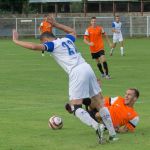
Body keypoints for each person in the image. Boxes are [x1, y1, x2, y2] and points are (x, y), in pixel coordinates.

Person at [12, 16, 118, 144]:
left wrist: (16, 41)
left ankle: (97, 126)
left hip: (76, 71)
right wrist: (56, 24)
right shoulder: (67, 39)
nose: (44, 45)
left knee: (74, 106)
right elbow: (73, 31)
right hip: (87, 67)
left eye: (43, 42)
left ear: (45, 39)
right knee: (100, 101)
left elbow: (35, 47)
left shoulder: (52, 44)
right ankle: (112, 134)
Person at [66, 88, 139, 133]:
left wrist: (117, 130)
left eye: (129, 95)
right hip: (100, 112)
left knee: (95, 114)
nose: (126, 96)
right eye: (126, 94)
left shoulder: (134, 116)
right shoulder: (119, 99)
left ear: (135, 98)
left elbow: (126, 129)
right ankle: (77, 104)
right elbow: (103, 101)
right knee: (92, 101)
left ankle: (74, 109)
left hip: (106, 123)